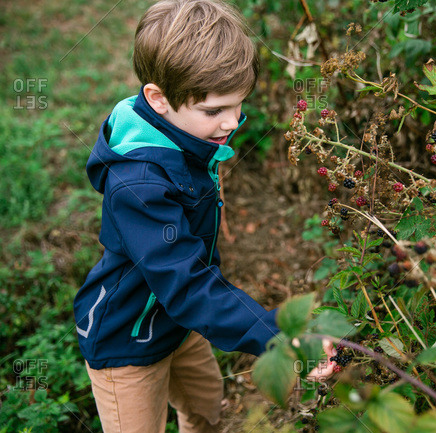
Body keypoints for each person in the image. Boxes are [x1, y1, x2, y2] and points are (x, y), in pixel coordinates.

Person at [73, 1, 336, 431]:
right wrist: (276, 337)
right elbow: (186, 282)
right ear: (158, 98)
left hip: (180, 324)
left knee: (206, 409)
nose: (232, 122)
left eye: (238, 104)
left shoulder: (181, 130)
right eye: (214, 111)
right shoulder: (138, 184)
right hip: (127, 338)